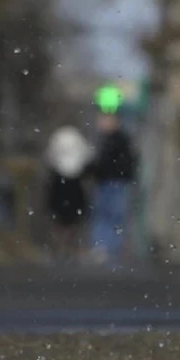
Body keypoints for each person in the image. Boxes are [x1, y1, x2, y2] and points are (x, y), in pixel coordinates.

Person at [85, 109, 138, 263]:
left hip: (114, 182)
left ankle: (108, 246)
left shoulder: (116, 140)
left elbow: (112, 162)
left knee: (112, 214)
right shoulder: (108, 140)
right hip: (107, 182)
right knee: (106, 214)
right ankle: (104, 246)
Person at [44, 126, 92, 262]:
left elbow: (50, 157)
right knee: (71, 218)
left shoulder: (58, 137)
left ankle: (61, 245)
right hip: (72, 183)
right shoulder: (77, 140)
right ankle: (66, 246)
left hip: (61, 182)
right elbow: (87, 158)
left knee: (60, 217)